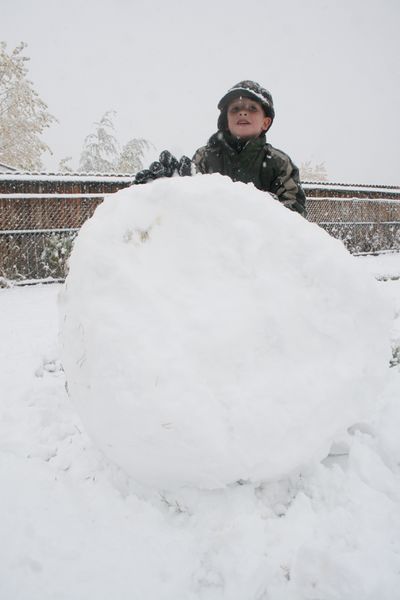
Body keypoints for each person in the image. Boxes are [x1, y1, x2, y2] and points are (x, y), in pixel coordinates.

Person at [135, 80, 306, 217]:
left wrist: (257, 204)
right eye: (235, 109)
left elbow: (295, 214)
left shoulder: (279, 162)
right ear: (225, 120)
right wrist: (167, 186)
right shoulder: (206, 157)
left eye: (252, 108)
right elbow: (189, 202)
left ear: (265, 122)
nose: (243, 113)